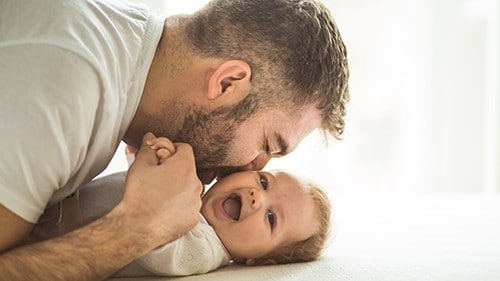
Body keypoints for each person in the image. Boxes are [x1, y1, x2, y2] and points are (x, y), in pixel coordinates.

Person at [0, 0, 349, 279]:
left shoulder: (121, 47)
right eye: (268, 145)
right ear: (227, 83)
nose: (250, 166)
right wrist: (134, 228)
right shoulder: (65, 88)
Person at [28, 137, 332, 277]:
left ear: (259, 261)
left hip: (57, 234)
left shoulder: (205, 250)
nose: (256, 197)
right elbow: (140, 192)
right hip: (56, 202)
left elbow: (154, 241)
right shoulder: (192, 192)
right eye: (264, 183)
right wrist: (146, 163)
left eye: (270, 217)